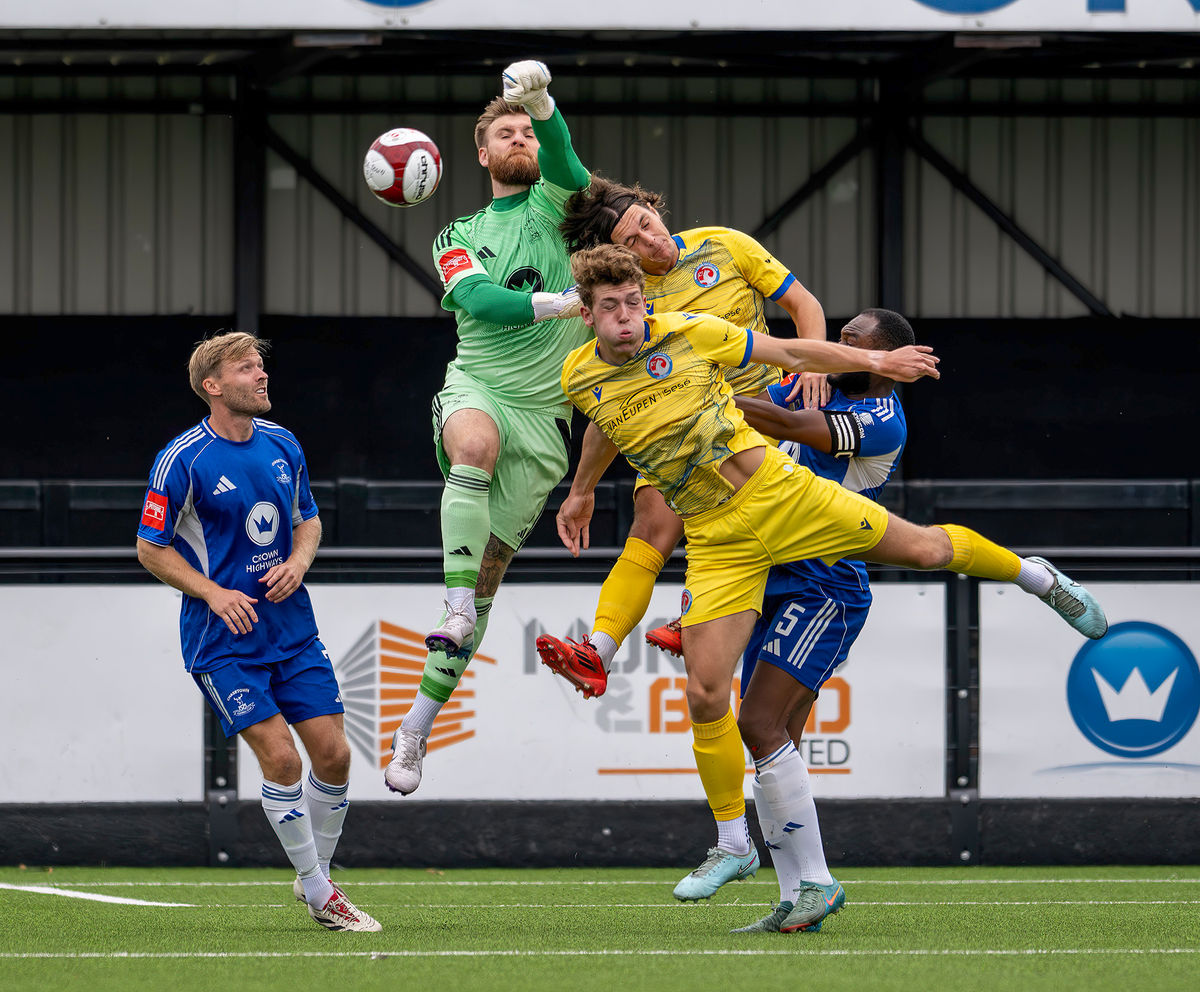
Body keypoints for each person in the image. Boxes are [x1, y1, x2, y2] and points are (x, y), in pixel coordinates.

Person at [557, 244, 1107, 910]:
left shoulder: (695, 337)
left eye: (634, 301)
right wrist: (583, 487)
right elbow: (605, 422)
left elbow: (791, 355)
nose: (626, 316)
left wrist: (873, 362)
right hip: (720, 539)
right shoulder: (579, 374)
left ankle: (1035, 577)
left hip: (791, 512)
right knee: (709, 696)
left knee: (928, 553)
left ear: (647, 301)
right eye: (611, 306)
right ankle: (740, 847)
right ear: (587, 314)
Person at [384, 61, 593, 796]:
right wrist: (562, 306)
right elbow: (478, 297)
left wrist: (545, 106)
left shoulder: (562, 208)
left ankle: (414, 730)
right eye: (504, 130)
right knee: (472, 444)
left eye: (524, 130)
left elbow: (567, 160)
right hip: (480, 384)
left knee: (486, 588)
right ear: (481, 154)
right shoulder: (458, 230)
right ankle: (450, 597)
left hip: (545, 419)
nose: (519, 138)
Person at [536, 176, 828, 698]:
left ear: (653, 207)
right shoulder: (625, 302)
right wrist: (580, 491)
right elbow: (610, 412)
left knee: (747, 512)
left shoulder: (726, 245)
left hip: (765, 419)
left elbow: (805, 305)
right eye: (632, 242)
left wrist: (813, 364)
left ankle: (696, 616)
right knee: (650, 525)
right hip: (676, 432)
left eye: (647, 224)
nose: (652, 241)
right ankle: (598, 651)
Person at [136, 331, 380, 933]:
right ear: (213, 387)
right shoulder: (182, 460)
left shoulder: (282, 443)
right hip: (223, 641)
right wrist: (214, 593)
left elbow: (309, 521)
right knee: (282, 761)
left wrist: (299, 561)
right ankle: (325, 896)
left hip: (291, 629)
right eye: (246, 369)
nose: (261, 376)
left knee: (336, 755)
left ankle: (312, 877)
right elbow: (150, 548)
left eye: (261, 367)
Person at [723, 308, 915, 934]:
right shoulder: (819, 379)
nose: (841, 348)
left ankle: (820, 883)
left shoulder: (879, 421)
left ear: (883, 361)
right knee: (772, 743)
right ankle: (792, 896)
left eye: (855, 344)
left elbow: (778, 421)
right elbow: (761, 401)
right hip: (773, 573)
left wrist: (692, 389)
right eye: (839, 340)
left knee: (757, 721)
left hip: (826, 580)